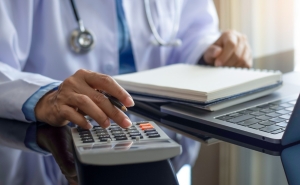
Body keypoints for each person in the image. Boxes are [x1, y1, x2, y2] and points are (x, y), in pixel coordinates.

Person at [0, 0, 252, 184]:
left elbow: (193, 29)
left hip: (162, 150)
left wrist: (211, 50)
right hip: (54, 154)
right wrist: (45, 95)